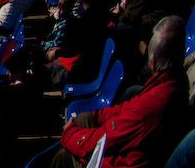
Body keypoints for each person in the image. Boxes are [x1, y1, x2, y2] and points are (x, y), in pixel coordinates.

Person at [53, 16, 189, 168]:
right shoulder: (172, 81)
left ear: (153, 62)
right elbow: (127, 108)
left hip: (118, 162)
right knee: (83, 119)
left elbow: (108, 137)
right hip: (126, 143)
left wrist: (70, 134)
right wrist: (95, 116)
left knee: (63, 157)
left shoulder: (155, 102)